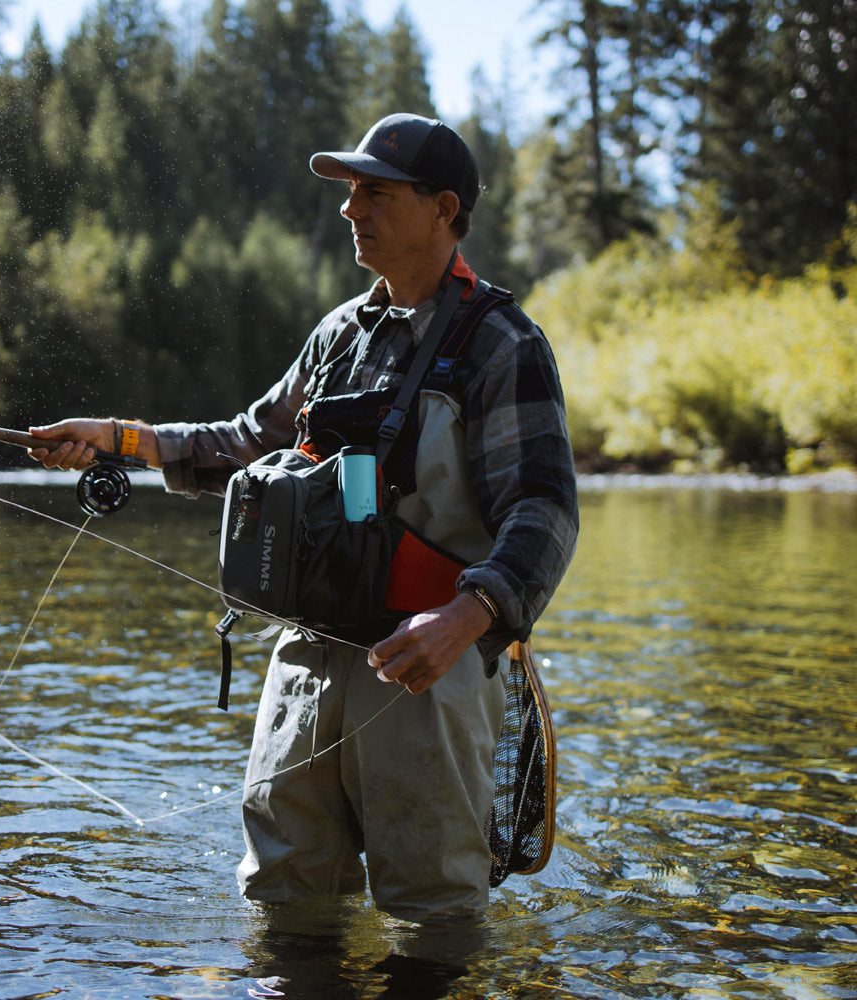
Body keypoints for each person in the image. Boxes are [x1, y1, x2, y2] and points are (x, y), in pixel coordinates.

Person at [29, 113, 579, 922]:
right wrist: (116, 438)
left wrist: (468, 617)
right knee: (282, 897)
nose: (352, 209)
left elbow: (545, 508)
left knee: (432, 913)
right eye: (349, 192)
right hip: (307, 657)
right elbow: (245, 444)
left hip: (426, 663)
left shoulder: (501, 343)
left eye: (375, 192)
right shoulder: (337, 335)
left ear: (442, 207)